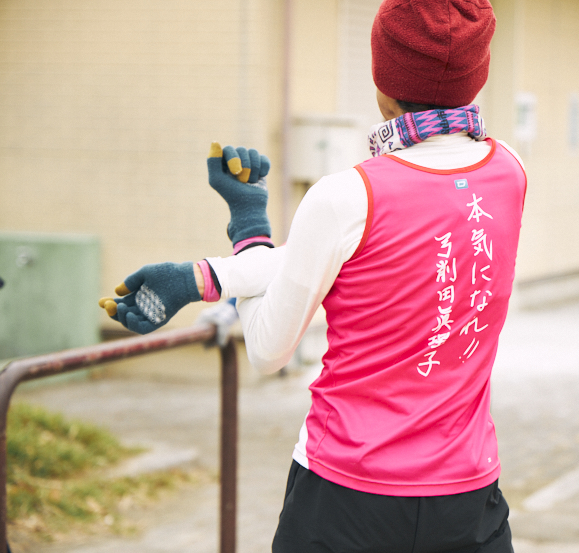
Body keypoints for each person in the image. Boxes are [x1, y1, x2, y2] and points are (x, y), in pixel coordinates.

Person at [99, 0, 527, 550]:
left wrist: (248, 223)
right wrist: (205, 277)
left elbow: (267, 350)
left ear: (383, 77)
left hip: (344, 499)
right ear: (477, 71)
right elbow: (374, 255)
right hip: (468, 502)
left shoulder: (347, 194)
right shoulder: (509, 172)